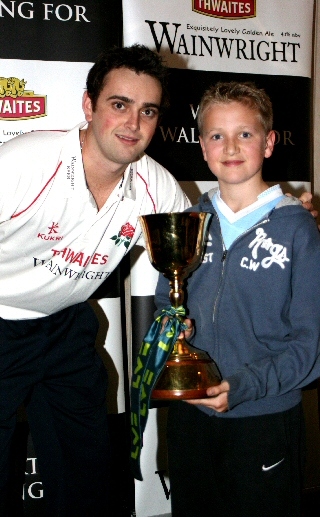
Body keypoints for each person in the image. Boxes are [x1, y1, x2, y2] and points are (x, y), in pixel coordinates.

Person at [0, 45, 190, 516]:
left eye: (147, 111)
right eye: (119, 105)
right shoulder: (25, 162)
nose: (133, 124)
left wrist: (284, 216)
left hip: (64, 327)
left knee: (87, 474)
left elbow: (197, 254)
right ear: (89, 106)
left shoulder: (156, 186)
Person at [155, 81, 320, 517]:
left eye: (244, 134)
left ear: (268, 143)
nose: (230, 146)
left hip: (264, 417)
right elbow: (164, 306)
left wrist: (245, 386)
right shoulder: (189, 222)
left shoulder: (297, 229)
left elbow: (311, 346)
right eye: (216, 135)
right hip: (191, 416)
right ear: (203, 147)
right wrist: (176, 329)